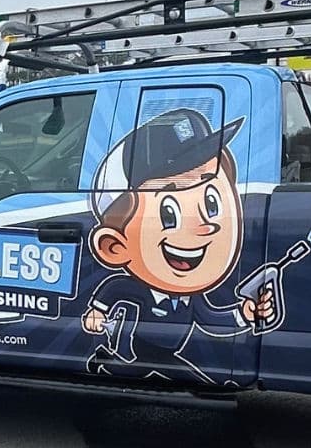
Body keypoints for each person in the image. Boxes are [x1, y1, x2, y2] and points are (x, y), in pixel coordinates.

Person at [82, 107, 275, 383]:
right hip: (146, 348)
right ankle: (107, 361)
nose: (205, 225)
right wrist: (97, 311)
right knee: (171, 370)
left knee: (150, 368)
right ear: (115, 246)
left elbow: (211, 319)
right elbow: (117, 287)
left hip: (159, 350)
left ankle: (106, 361)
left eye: (212, 201)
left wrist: (243, 314)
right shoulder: (140, 289)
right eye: (169, 211)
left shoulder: (190, 297)